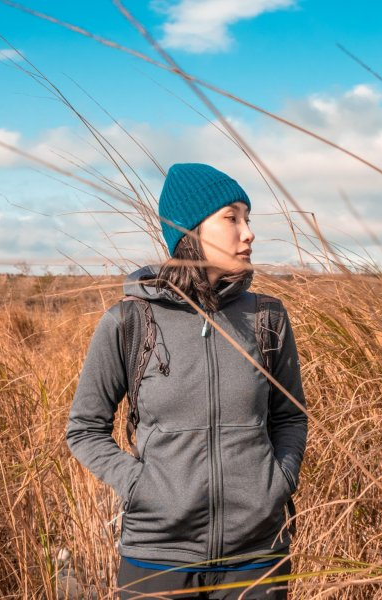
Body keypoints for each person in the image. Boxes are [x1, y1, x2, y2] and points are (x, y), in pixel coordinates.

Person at [65, 163, 308, 599]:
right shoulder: (130, 320)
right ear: (190, 231)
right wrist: (142, 487)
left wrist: (278, 481)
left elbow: (290, 417)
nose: (248, 232)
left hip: (256, 554)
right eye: (232, 218)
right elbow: (84, 429)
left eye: (247, 219)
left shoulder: (267, 317)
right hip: (157, 554)